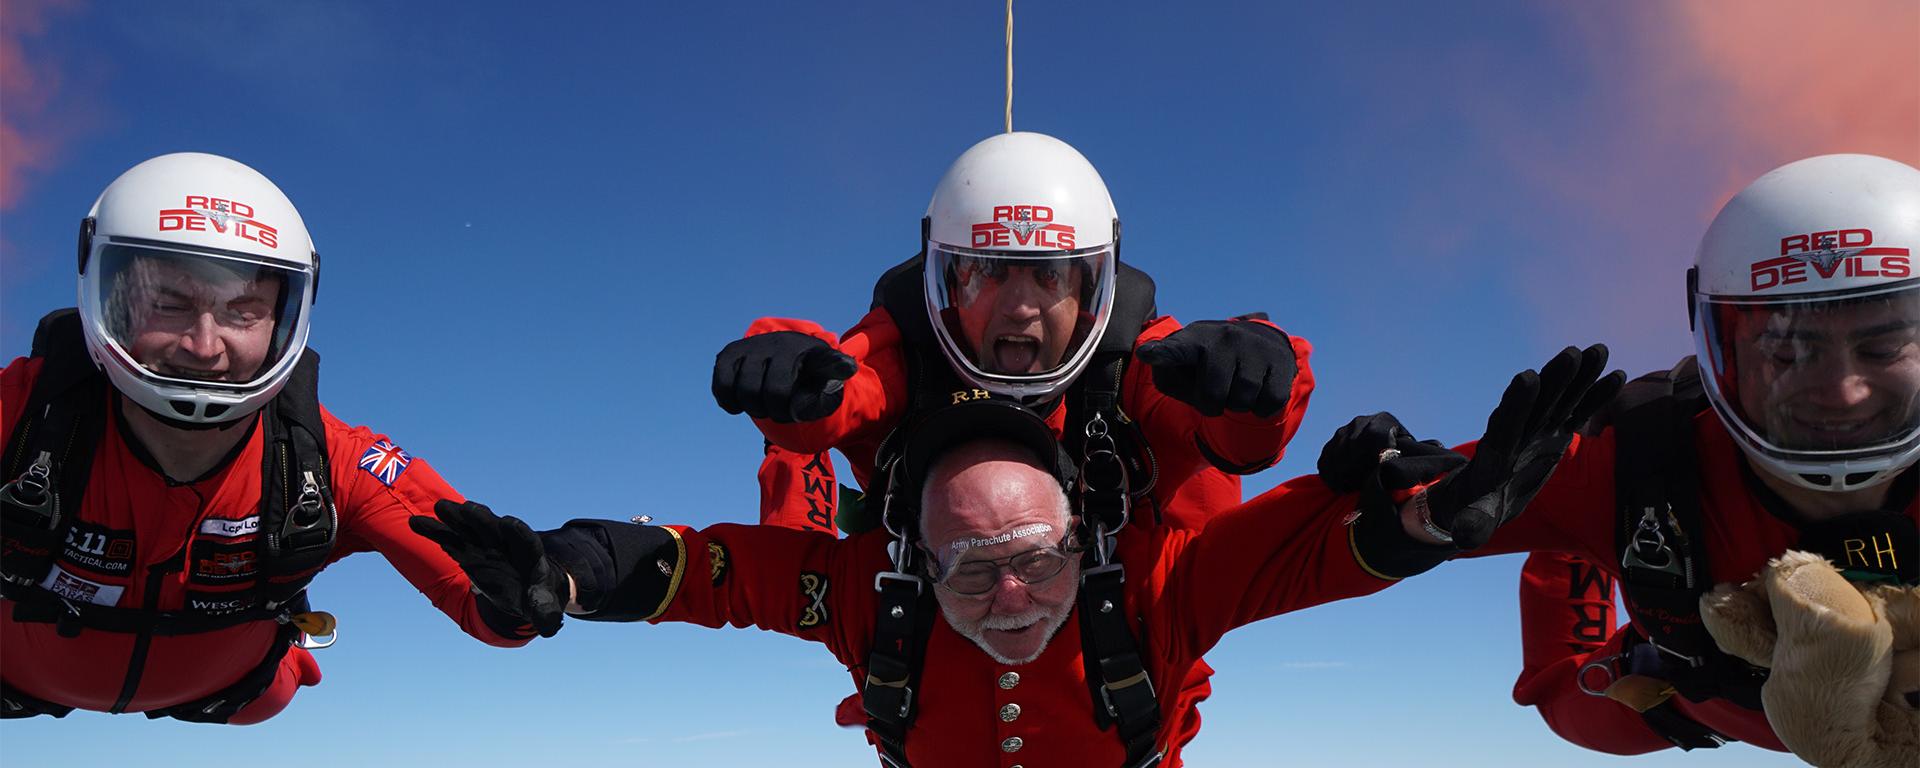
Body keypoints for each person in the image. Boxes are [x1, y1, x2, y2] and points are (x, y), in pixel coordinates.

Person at [412, 345, 1620, 767]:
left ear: (1089, 536)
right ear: (908, 556)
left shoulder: (1151, 581)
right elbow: (698, 569)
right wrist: (562, 571)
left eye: (1037, 558)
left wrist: (1439, 515)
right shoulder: (862, 594)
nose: (1007, 598)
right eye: (964, 567)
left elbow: (1310, 546)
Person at [1337, 153, 1919, 755]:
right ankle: (1594, 552)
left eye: (1883, 347)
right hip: (1685, 690)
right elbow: (1291, 546)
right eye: (1788, 353)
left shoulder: (1622, 467)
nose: (1843, 393)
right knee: (1578, 694)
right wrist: (1402, 515)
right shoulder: (1621, 463)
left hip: (1701, 694)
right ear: (1726, 354)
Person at [0, 152, 541, 725]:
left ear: (284, 317)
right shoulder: (18, 417)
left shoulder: (333, 461)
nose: (204, 346)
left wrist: (548, 586)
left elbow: (487, 593)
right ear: (108, 297)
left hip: (235, 690)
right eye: (168, 304)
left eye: (243, 311)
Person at [712, 131, 1314, 537]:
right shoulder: (913, 351)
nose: (1020, 308)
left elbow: (1224, 437)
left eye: (1051, 275)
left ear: (1090, 289)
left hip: (1114, 669)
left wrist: (1255, 388)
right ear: (946, 282)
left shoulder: (1134, 362)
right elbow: (850, 390)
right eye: (988, 273)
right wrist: (790, 389)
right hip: (933, 666)